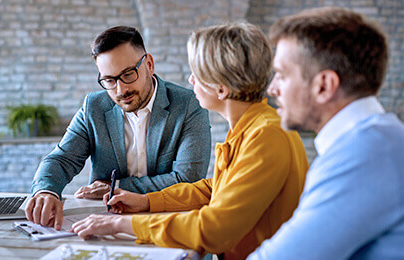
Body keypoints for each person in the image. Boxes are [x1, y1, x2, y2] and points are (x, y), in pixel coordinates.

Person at [71, 23, 309, 260]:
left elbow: (216, 228)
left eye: (197, 73)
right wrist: (146, 201)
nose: (191, 80)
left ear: (221, 88)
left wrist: (122, 225)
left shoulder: (267, 135)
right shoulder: (252, 125)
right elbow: (215, 188)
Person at [248, 7, 404, 259]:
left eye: (282, 75)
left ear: (324, 86)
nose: (272, 88)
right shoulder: (378, 140)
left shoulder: (365, 154)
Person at [25, 26, 211, 230]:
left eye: (128, 74)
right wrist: (46, 191)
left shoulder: (188, 105)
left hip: (170, 223)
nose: (121, 90)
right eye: (109, 80)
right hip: (106, 223)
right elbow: (61, 159)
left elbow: (187, 179)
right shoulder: (94, 107)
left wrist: (117, 187)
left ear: (149, 64)